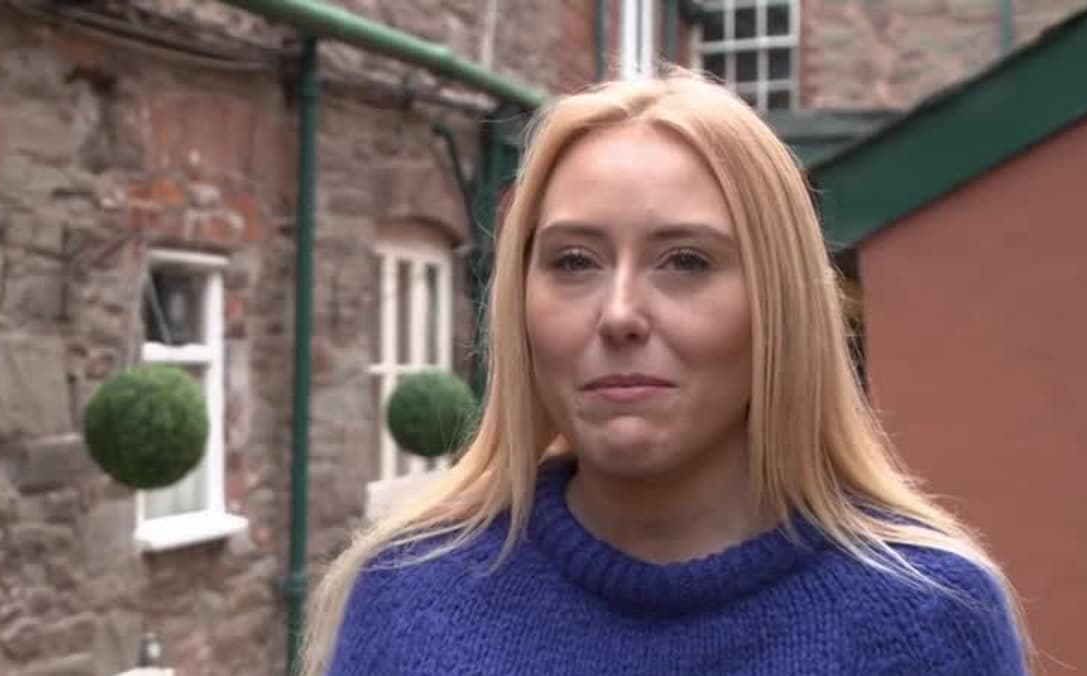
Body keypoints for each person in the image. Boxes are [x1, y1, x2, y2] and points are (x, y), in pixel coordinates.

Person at [300, 69, 1029, 675]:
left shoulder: (928, 616)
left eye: (685, 261)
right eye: (573, 261)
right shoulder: (407, 595)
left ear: (778, 305)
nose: (619, 314)